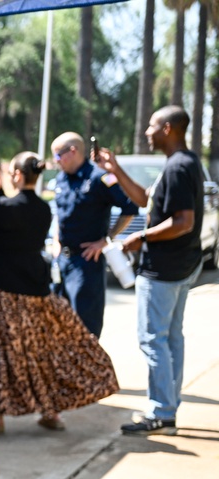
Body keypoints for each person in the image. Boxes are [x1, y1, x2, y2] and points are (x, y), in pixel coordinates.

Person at [0, 152, 118, 434]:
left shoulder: (3, 208)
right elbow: (8, 212)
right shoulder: (42, 209)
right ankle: (51, 412)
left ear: (16, 175)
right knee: (40, 353)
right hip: (34, 292)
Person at [94, 106, 204, 435]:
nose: (146, 131)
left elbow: (183, 223)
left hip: (164, 271)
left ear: (168, 129)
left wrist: (140, 238)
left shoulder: (179, 166)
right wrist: (115, 168)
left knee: (153, 340)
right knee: (171, 339)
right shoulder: (184, 163)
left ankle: (162, 411)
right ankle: (168, 407)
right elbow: (146, 200)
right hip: (179, 267)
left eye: (152, 125)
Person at [50, 132, 138, 338]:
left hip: (86, 262)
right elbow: (61, 216)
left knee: (84, 329)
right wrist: (56, 240)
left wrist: (106, 240)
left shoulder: (100, 177)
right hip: (62, 260)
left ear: (73, 151)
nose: (56, 162)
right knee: (59, 327)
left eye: (58, 156)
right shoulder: (61, 178)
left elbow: (130, 208)